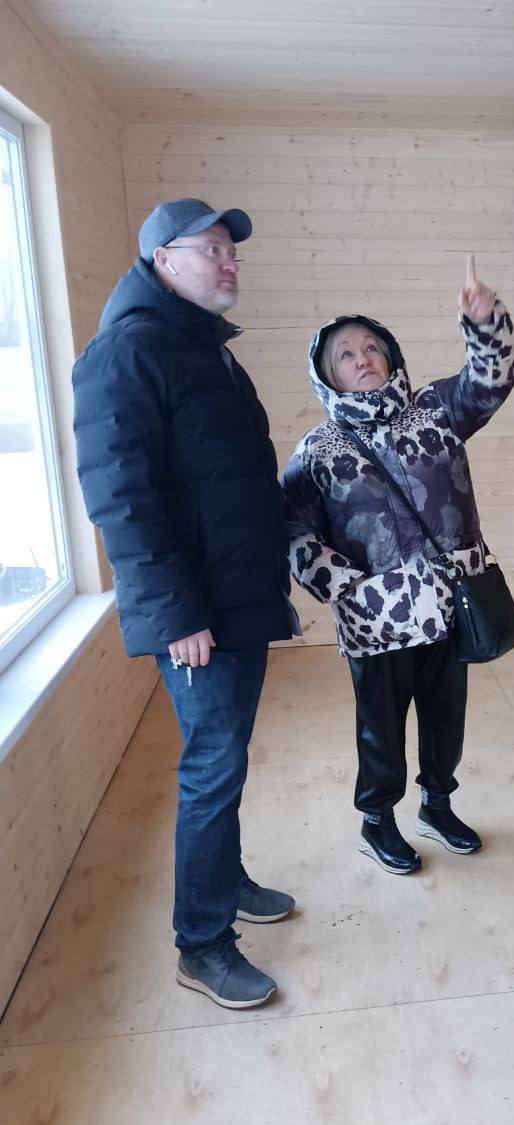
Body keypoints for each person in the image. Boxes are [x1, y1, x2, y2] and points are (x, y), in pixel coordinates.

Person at [73, 198, 299, 1010]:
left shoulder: (203, 349)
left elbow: (227, 478)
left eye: (231, 250)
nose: (228, 261)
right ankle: (201, 945)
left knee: (226, 759)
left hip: (237, 596)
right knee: (212, 767)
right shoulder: (126, 353)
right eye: (210, 248)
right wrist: (175, 615)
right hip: (197, 613)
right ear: (162, 261)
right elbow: (120, 499)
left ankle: (225, 880)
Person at [282, 255, 514, 875]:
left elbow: (490, 379)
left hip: (449, 604)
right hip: (377, 618)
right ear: (328, 376)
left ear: (390, 356)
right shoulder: (317, 451)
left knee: (446, 719)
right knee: (380, 729)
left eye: (371, 347)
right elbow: (292, 529)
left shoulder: (437, 410)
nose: (362, 358)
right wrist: (345, 585)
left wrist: (485, 321)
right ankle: (377, 821)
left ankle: (437, 806)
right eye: (345, 355)